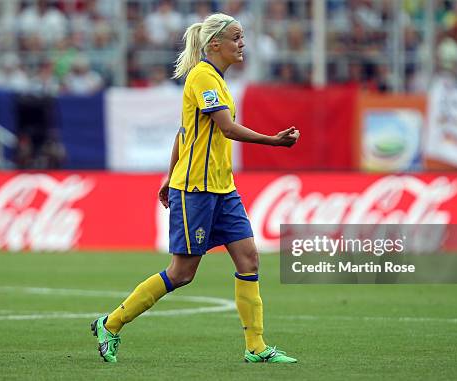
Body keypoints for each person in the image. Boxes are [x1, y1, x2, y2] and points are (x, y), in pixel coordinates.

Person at [91, 13, 300, 364]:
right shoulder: (203, 77)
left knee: (248, 258)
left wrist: (166, 175)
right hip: (197, 190)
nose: (242, 43)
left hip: (222, 188)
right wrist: (274, 142)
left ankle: (256, 348)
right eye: (236, 37)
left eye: (242, 36)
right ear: (214, 43)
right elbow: (227, 129)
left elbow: (184, 132)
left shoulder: (216, 79)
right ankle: (110, 323)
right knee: (182, 273)